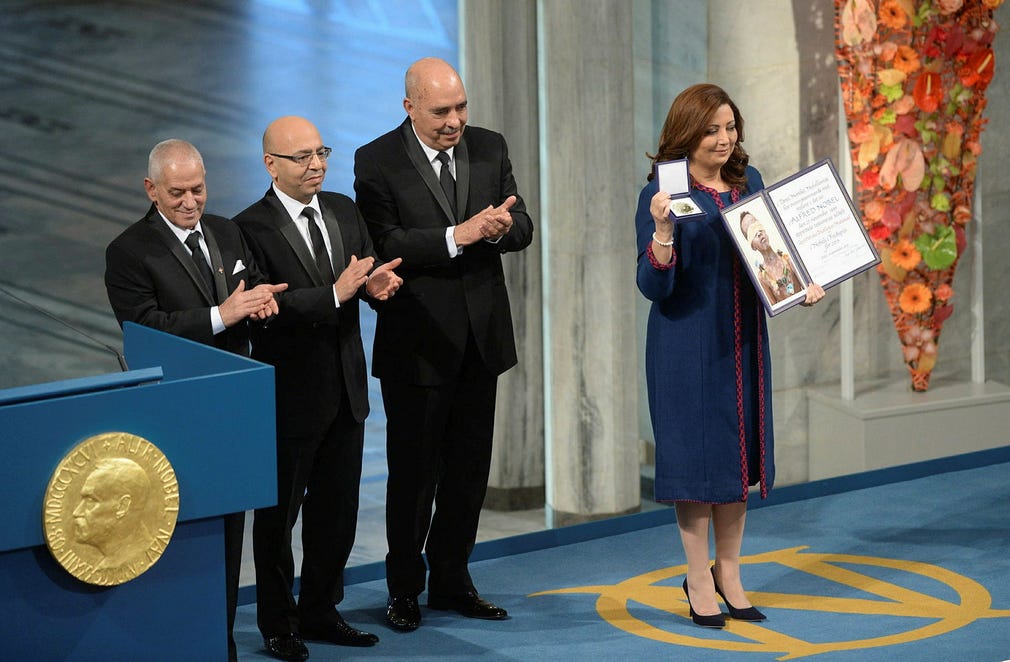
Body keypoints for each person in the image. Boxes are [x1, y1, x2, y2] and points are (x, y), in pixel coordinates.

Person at [353, 56, 533, 632]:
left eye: (460, 107)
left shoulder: (489, 146)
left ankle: (454, 580)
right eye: (441, 112)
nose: (455, 121)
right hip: (418, 346)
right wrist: (461, 235)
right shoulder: (375, 161)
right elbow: (387, 241)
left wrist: (505, 228)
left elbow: (522, 222)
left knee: (468, 473)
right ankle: (404, 589)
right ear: (410, 108)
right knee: (413, 478)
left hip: (482, 342)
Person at [635, 84, 824, 629]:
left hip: (741, 340)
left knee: (737, 458)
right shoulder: (661, 190)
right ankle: (697, 578)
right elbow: (652, 285)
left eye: (729, 127)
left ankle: (730, 572)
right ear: (686, 135)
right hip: (684, 345)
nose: (723, 139)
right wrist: (664, 231)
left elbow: (772, 256)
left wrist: (801, 280)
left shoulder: (749, 181)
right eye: (711, 129)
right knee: (697, 461)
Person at [105, 138, 287, 661]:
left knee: (230, 533)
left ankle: (221, 642)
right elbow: (144, 327)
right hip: (175, 412)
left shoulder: (228, 232)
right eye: (177, 192)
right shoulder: (129, 251)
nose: (190, 201)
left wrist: (259, 306)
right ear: (151, 190)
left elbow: (247, 290)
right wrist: (222, 316)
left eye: (198, 189)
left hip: (232, 407)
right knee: (179, 536)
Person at [233, 116, 402, 662]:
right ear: (271, 164)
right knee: (279, 521)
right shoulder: (248, 229)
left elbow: (364, 275)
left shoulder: (344, 210)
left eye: (321, 152)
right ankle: (278, 624)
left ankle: (322, 610)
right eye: (302, 156)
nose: (317, 165)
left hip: (346, 391)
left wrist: (376, 288)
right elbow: (264, 311)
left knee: (337, 511)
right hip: (289, 397)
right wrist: (333, 294)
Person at [739, 210, 803, 304]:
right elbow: (774, 307)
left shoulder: (788, 259)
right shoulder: (762, 277)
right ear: (752, 246)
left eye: (756, 225)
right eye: (751, 231)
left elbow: (806, 288)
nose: (758, 232)